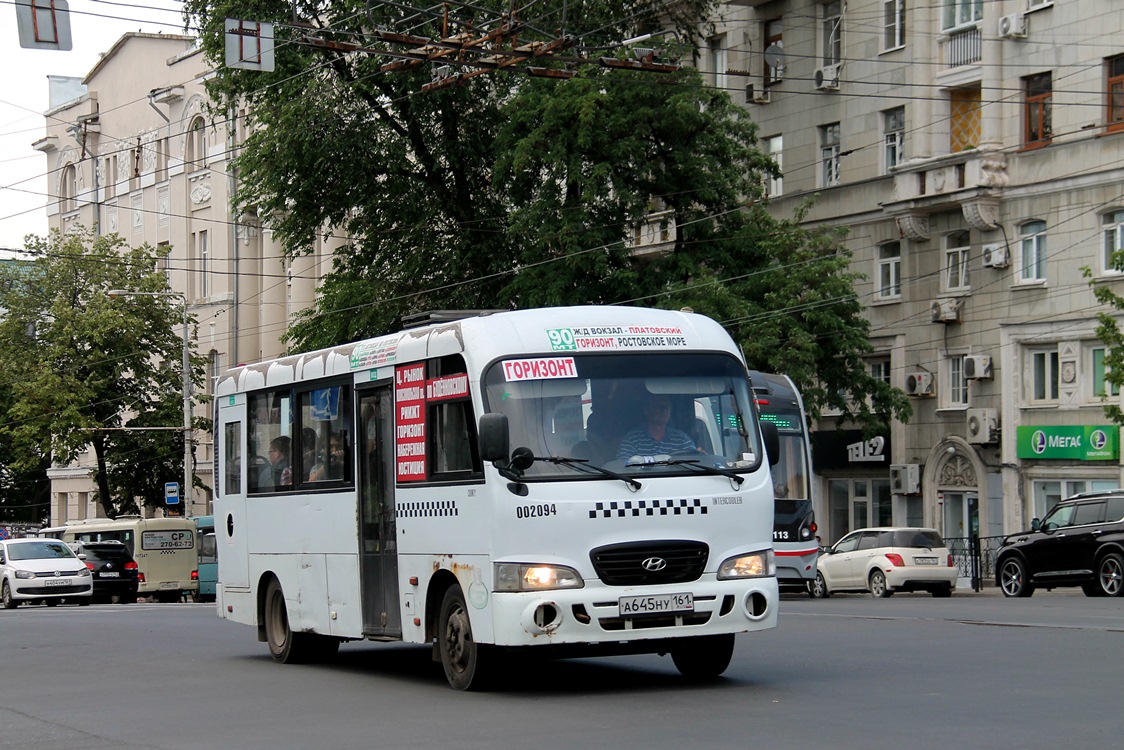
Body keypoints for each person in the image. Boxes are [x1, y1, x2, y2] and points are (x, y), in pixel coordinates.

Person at [616, 394, 696, 460]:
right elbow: (623, 466)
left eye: (667, 406)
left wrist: (701, 456)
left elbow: (694, 460)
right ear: (646, 410)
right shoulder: (632, 439)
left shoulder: (682, 439)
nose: (664, 410)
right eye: (659, 406)